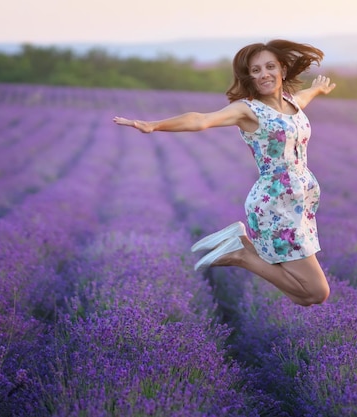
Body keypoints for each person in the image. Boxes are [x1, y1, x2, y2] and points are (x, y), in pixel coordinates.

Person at [113, 39, 336, 306]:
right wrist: (154, 125)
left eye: (270, 67)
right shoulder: (247, 110)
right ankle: (240, 253)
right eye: (255, 70)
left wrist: (316, 89)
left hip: (298, 206)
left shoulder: (291, 104)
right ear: (249, 78)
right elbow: (201, 119)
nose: (264, 74)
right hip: (276, 206)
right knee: (316, 292)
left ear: (283, 70)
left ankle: (239, 244)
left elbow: (301, 99)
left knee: (304, 297)